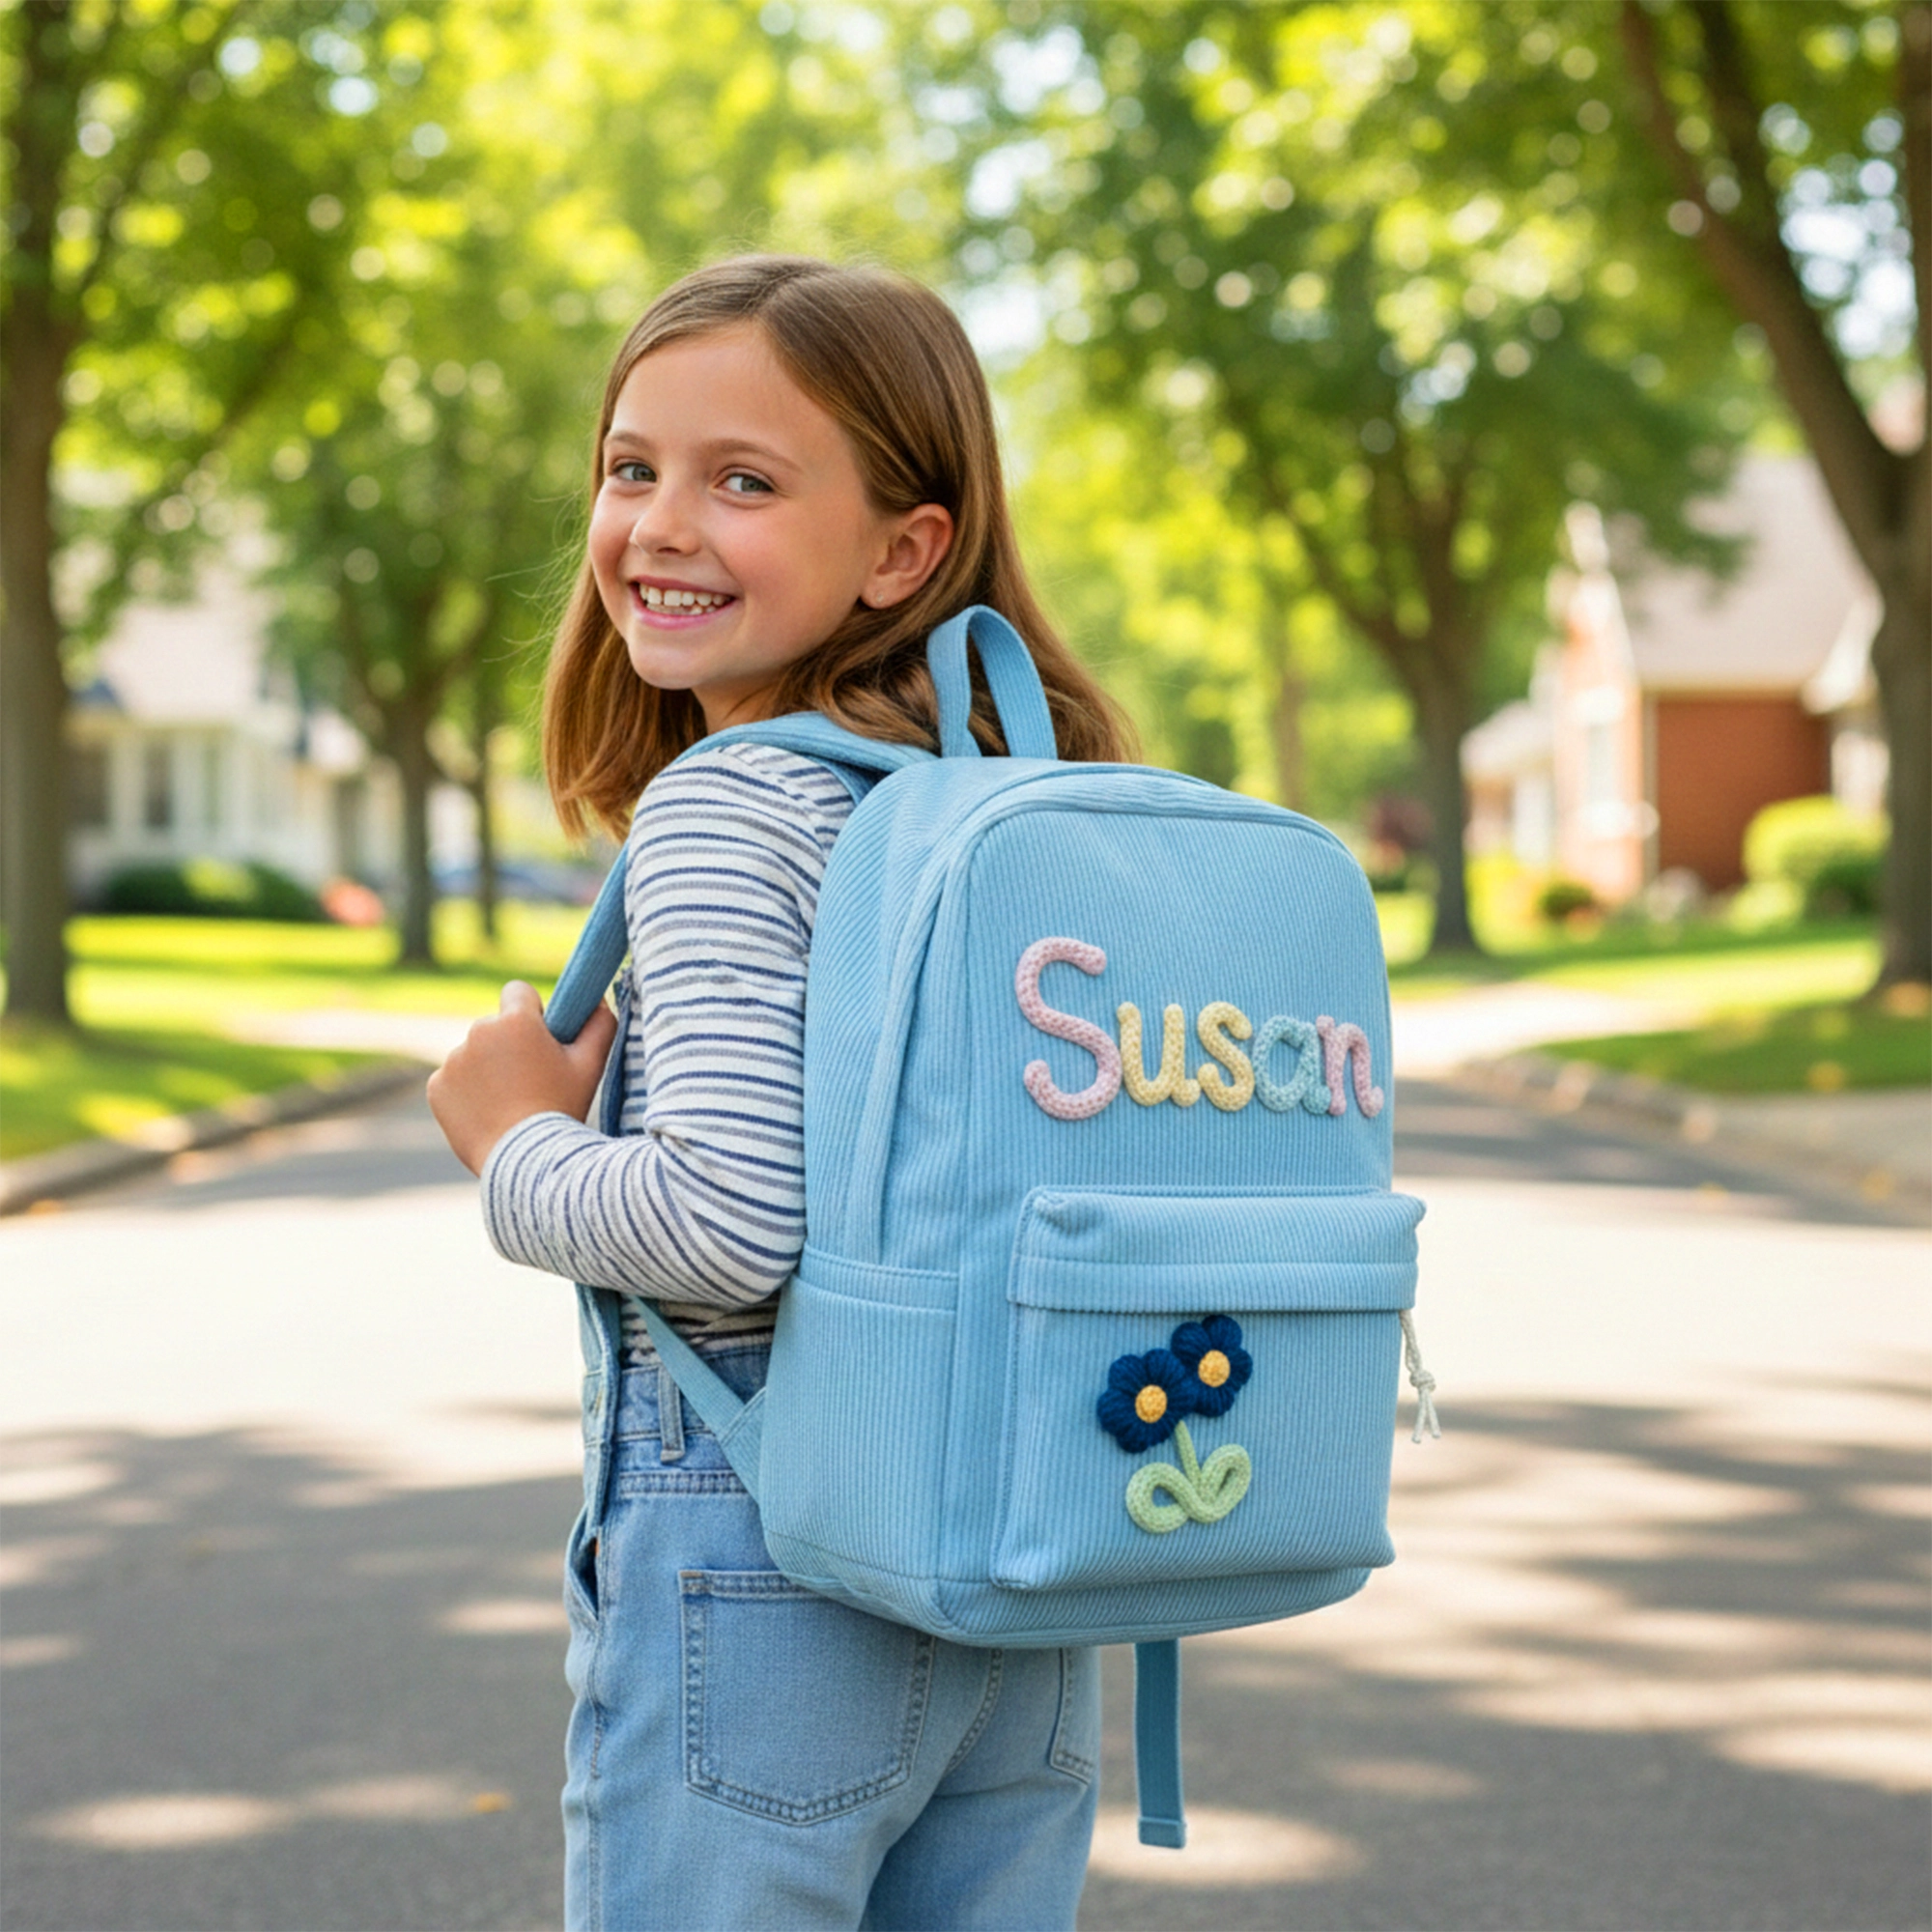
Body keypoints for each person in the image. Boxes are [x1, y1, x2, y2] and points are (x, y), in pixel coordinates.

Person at [426, 255, 1137, 1932]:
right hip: (1022, 1570)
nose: (660, 526)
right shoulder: (1015, 804)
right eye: (632, 468)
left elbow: (726, 1226)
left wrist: (512, 1136)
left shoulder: (729, 806)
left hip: (773, 1561)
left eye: (743, 481)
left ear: (905, 550)